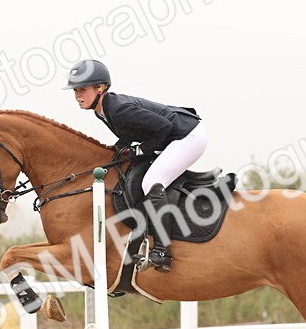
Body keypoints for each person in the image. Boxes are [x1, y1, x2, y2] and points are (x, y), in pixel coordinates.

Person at [64, 59, 207, 272]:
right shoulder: (101, 109)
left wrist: (139, 150)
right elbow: (130, 134)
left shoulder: (118, 109)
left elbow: (164, 127)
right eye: (75, 90)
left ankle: (162, 252)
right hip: (173, 136)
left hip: (188, 137)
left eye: (82, 89)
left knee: (151, 182)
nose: (77, 95)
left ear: (100, 88)